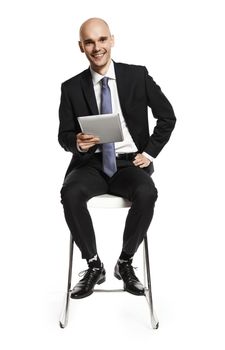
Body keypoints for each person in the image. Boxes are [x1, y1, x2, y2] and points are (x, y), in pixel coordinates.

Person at [58, 18, 176, 299]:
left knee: (147, 192)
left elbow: (167, 117)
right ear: (81, 47)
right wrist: (77, 142)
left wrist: (148, 153)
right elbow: (63, 135)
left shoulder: (137, 75)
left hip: (129, 162)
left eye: (101, 40)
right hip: (91, 164)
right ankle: (93, 264)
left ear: (111, 40)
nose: (96, 47)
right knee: (70, 192)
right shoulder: (71, 87)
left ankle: (124, 263)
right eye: (89, 42)